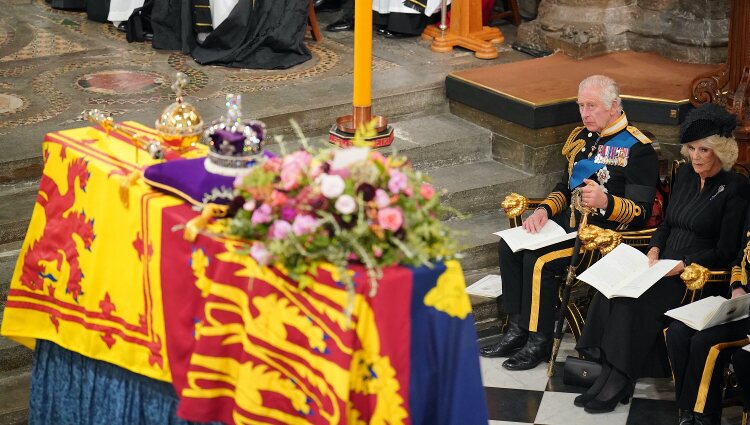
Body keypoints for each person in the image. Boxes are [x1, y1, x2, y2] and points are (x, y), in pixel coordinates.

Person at [574, 103, 750, 414]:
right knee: (610, 291)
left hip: (695, 277)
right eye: (691, 148)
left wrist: (682, 262)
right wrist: (654, 248)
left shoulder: (735, 188)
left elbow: (725, 251)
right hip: (661, 264)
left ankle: (621, 377)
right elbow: (666, 223)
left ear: (721, 151)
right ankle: (612, 373)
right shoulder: (684, 175)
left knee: (631, 302)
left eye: (704, 150)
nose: (695, 156)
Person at [480, 75, 659, 372]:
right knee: (509, 247)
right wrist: (545, 212)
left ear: (613, 106)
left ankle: (539, 340)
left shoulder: (637, 148)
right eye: (581, 106)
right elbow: (565, 187)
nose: (585, 113)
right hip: (565, 226)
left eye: (592, 106)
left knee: (541, 262)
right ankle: (517, 330)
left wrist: (606, 203)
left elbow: (641, 212)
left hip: (601, 237)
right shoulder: (582, 138)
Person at [666, 205, 750, 425]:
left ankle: (704, 416)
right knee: (677, 332)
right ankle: (687, 411)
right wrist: (738, 287)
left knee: (705, 341)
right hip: (742, 304)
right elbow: (741, 257)